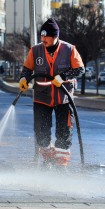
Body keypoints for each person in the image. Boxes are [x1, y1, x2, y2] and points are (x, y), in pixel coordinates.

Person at [19, 18, 84, 166]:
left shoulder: (69, 49)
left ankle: (61, 165)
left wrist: (63, 77)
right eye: (41, 36)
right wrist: (24, 78)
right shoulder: (35, 50)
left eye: (46, 36)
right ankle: (48, 158)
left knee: (64, 133)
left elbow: (80, 69)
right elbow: (27, 69)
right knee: (41, 133)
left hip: (64, 99)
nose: (43, 39)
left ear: (55, 36)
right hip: (42, 97)